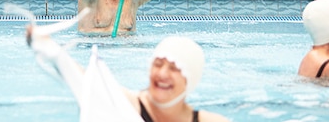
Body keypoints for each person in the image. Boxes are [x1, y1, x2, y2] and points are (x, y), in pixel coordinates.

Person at [26, 26, 230, 122]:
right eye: (157, 64)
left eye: (174, 68)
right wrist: (54, 52)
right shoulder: (126, 106)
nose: (162, 74)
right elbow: (87, 81)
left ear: (190, 80)